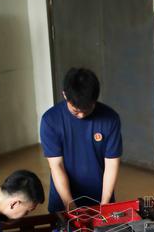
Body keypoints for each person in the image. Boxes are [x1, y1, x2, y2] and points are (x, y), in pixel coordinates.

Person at [40, 67, 122, 213]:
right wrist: (70, 207)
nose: (82, 115)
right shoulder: (50, 120)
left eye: (87, 109)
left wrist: (104, 204)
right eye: (76, 111)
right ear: (65, 95)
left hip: (100, 198)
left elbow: (111, 164)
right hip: (63, 200)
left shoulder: (110, 119)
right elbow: (56, 166)